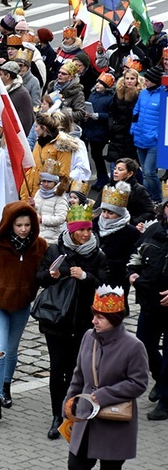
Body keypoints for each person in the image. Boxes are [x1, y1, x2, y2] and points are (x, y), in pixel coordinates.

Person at [36, 203, 108, 439]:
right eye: (81, 230)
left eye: (88, 230)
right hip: (56, 321)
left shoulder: (97, 254)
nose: (86, 234)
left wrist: (86, 277)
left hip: (84, 323)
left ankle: (74, 411)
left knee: (78, 369)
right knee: (57, 368)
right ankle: (57, 415)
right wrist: (51, 275)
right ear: (71, 229)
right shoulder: (55, 250)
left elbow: (106, 287)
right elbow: (40, 278)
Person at [63, 286, 148, 469]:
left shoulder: (134, 346)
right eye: (94, 315)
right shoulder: (88, 337)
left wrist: (105, 395)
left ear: (114, 319)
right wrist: (68, 404)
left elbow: (139, 383)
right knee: (75, 465)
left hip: (113, 423)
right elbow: (78, 376)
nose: (94, 321)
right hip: (86, 419)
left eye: (100, 317)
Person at [0, 201, 48, 418]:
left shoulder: (40, 246)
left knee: (12, 350)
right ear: (10, 225)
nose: (24, 229)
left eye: (27, 225)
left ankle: (7, 386)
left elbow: (44, 273)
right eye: (19, 225)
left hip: (21, 307)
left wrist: (42, 282)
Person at [127, 197, 168, 421]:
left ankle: (166, 401)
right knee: (143, 345)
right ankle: (162, 380)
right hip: (150, 303)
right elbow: (136, 255)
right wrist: (132, 272)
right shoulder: (153, 229)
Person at [93, 182, 140, 312]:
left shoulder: (130, 232)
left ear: (119, 214)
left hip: (117, 276)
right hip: (96, 274)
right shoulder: (95, 224)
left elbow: (132, 257)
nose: (106, 216)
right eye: (104, 211)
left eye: (110, 213)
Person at [21, 112, 89, 201]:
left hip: (47, 196)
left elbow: (65, 174)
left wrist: (55, 193)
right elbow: (33, 169)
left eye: (36, 126)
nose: (34, 129)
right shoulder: (39, 142)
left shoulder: (63, 145)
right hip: (30, 194)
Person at [131, 66, 166, 202]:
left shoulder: (164, 95)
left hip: (153, 141)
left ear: (155, 81)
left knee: (149, 172)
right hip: (139, 137)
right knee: (145, 172)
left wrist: (157, 135)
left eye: (147, 80)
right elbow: (136, 112)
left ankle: (157, 198)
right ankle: (148, 198)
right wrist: (133, 129)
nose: (144, 82)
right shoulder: (143, 93)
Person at [94, 158, 154, 227]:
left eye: (120, 169)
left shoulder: (139, 190)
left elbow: (150, 212)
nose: (115, 172)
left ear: (130, 173)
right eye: (115, 168)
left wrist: (131, 221)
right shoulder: (108, 187)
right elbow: (96, 207)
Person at [82, 72, 115, 191]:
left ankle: (103, 178)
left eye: (101, 83)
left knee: (97, 155)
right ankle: (101, 178)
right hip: (90, 128)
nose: (98, 85)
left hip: (101, 131)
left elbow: (111, 115)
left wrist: (98, 116)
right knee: (94, 155)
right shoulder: (92, 95)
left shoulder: (110, 98)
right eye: (98, 82)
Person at [107, 68, 143, 164]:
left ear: (137, 80)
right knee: (116, 163)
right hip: (117, 133)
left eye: (132, 78)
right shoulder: (118, 93)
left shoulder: (140, 94)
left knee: (131, 164)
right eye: (127, 78)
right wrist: (112, 126)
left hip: (131, 135)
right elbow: (111, 111)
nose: (129, 81)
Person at [34, 161, 69, 245]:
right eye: (44, 181)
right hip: (35, 231)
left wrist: (42, 219)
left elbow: (61, 218)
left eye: (49, 182)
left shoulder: (60, 197)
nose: (46, 184)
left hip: (51, 236)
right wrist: (31, 206)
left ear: (55, 182)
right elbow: (36, 211)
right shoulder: (39, 192)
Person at [45, 60, 87, 125]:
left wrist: (61, 112)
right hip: (48, 123)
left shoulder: (78, 93)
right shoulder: (52, 86)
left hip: (65, 127)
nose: (60, 75)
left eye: (63, 73)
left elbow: (80, 114)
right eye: (59, 72)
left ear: (71, 77)